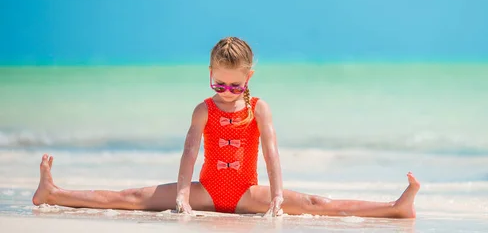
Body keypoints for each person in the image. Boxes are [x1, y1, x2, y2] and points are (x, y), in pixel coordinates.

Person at [32, 37, 420, 218]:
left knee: (318, 205)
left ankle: (394, 207)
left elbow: (271, 152)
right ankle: (53, 192)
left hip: (249, 193)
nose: (228, 91)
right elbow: (189, 152)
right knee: (131, 195)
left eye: (236, 84)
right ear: (210, 75)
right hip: (205, 193)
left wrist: (279, 195)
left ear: (249, 76)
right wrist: (182, 194)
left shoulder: (259, 108)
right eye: (220, 84)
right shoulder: (203, 110)